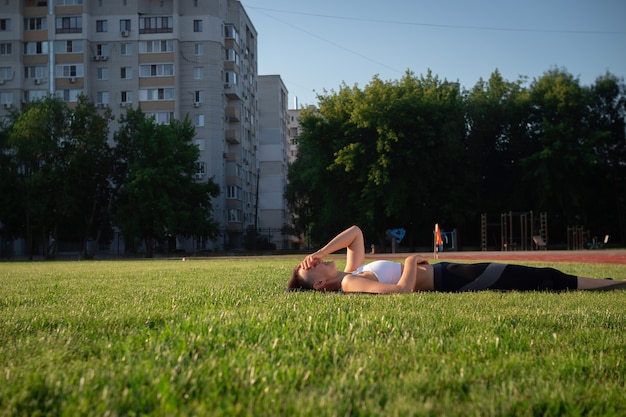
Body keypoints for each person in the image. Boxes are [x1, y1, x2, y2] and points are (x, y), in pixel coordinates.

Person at [287, 225, 626, 293]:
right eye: (314, 266)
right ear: (319, 283)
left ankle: (609, 286)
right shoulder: (348, 282)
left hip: (449, 272)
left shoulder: (351, 269)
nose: (314, 261)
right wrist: (409, 261)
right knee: (544, 278)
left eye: (312, 259)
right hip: (451, 279)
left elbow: (356, 233)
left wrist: (319, 252)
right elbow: (401, 292)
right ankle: (616, 286)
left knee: (544, 276)